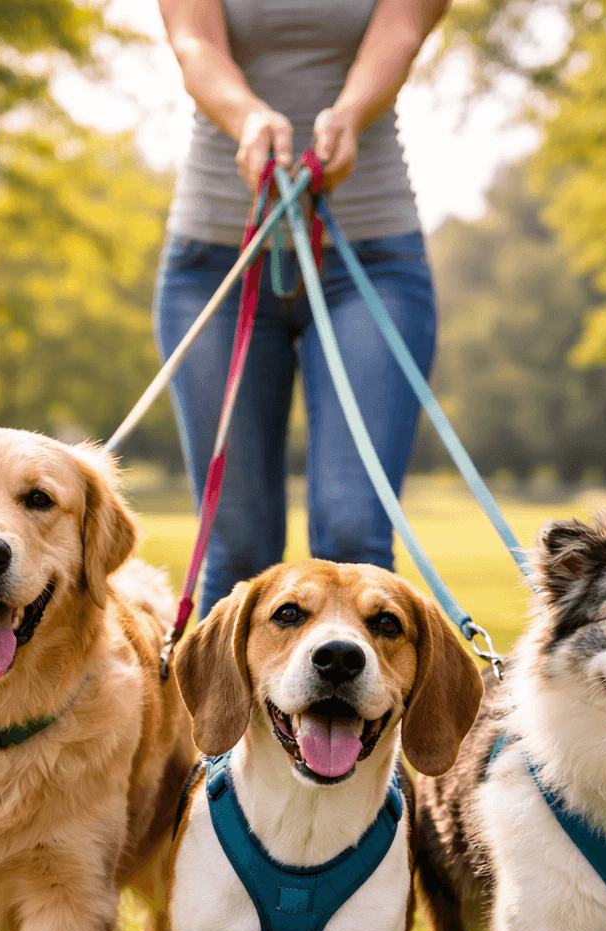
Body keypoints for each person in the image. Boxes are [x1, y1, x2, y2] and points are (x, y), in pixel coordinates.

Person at [155, 0, 448, 617]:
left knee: (353, 538)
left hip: (370, 258)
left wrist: (349, 113)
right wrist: (248, 116)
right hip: (217, 262)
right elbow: (193, 44)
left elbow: (401, 29)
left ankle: (358, 712)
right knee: (236, 553)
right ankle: (224, 716)